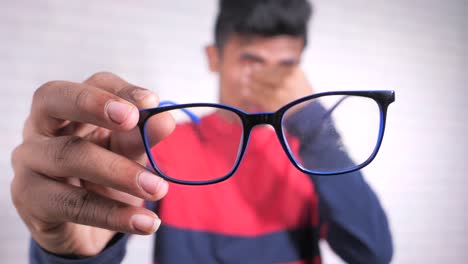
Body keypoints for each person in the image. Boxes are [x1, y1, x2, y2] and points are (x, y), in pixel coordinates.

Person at [11, 0, 393, 263]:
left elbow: (372, 253)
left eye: (286, 65)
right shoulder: (164, 142)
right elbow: (87, 234)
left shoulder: (310, 149)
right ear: (214, 58)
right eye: (251, 60)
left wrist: (312, 122)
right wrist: (68, 255)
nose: (268, 78)